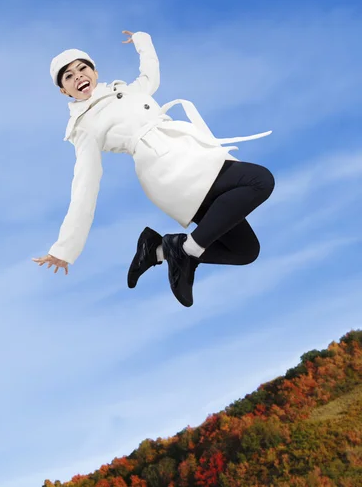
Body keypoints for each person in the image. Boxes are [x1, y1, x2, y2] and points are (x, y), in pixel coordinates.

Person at [33, 30, 275, 307]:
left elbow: (151, 75)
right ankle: (186, 251)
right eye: (68, 76)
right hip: (169, 170)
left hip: (190, 154)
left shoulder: (126, 90)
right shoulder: (84, 126)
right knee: (260, 180)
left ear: (94, 71)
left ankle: (158, 250)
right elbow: (85, 185)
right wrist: (65, 248)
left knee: (245, 251)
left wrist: (141, 40)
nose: (78, 76)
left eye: (82, 68)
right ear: (64, 90)